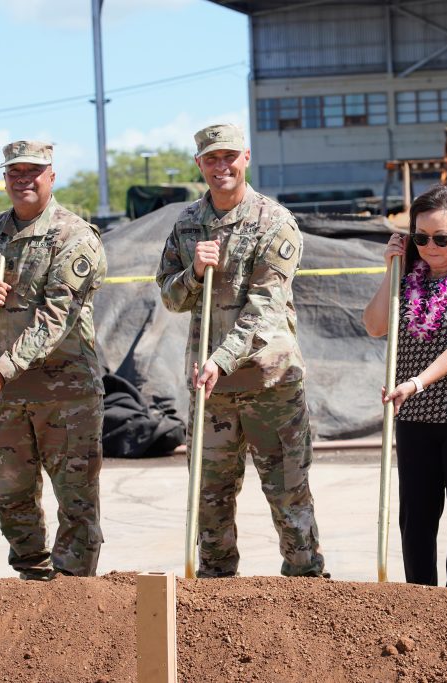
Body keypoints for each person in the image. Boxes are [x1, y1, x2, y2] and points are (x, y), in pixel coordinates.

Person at [156, 123, 326, 579]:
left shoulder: (275, 222)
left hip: (269, 385)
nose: (221, 166)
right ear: (199, 165)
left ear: (245, 158)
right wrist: (193, 272)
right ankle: (215, 600)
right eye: (211, 159)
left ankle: (307, 589)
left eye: (228, 156)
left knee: (288, 495)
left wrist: (220, 359)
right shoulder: (187, 224)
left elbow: (264, 310)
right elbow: (171, 298)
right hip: (213, 392)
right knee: (209, 500)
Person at [0, 140, 107, 581]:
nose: (23, 180)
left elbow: (57, 318)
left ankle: (74, 594)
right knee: (10, 494)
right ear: (5, 179)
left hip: (66, 395)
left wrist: (3, 367)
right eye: (14, 173)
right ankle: (33, 580)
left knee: (76, 500)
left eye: (33, 172)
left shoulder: (75, 237)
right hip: (7, 397)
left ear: (51, 176)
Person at [362, 184, 447, 588]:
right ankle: (419, 606)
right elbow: (374, 325)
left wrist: (415, 383)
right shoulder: (406, 279)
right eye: (421, 238)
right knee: (416, 521)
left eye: (441, 238)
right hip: (416, 420)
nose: (431, 246)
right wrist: (393, 267)